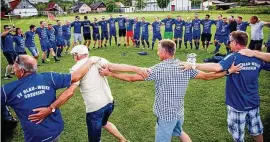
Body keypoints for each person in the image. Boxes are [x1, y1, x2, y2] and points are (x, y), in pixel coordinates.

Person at [99, 39, 240, 142]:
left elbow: (131, 79)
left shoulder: (159, 69)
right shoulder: (184, 66)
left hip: (166, 115)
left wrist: (111, 74)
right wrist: (228, 71)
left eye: (158, 50)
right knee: (180, 132)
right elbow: (207, 77)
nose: (157, 52)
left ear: (164, 52)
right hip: (179, 111)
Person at [27, 45, 149, 142]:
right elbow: (115, 66)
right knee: (104, 122)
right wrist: (136, 68)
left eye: (73, 55)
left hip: (95, 109)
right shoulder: (98, 59)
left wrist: (51, 108)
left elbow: (70, 92)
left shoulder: (77, 69)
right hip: (109, 103)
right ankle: (123, 140)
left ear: (77, 56)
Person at [182, 31, 270, 142]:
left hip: (236, 105)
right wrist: (256, 53)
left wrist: (193, 65)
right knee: (257, 131)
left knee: (238, 137)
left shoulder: (233, 57)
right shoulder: (257, 58)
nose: (228, 43)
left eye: (230, 41)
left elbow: (217, 67)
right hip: (253, 103)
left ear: (235, 42)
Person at [1, 54, 97, 142]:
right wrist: (90, 61)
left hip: (35, 137)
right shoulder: (49, 77)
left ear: (22, 71)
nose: (13, 67)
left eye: (15, 65)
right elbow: (76, 76)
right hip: (55, 130)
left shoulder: (6, 90)